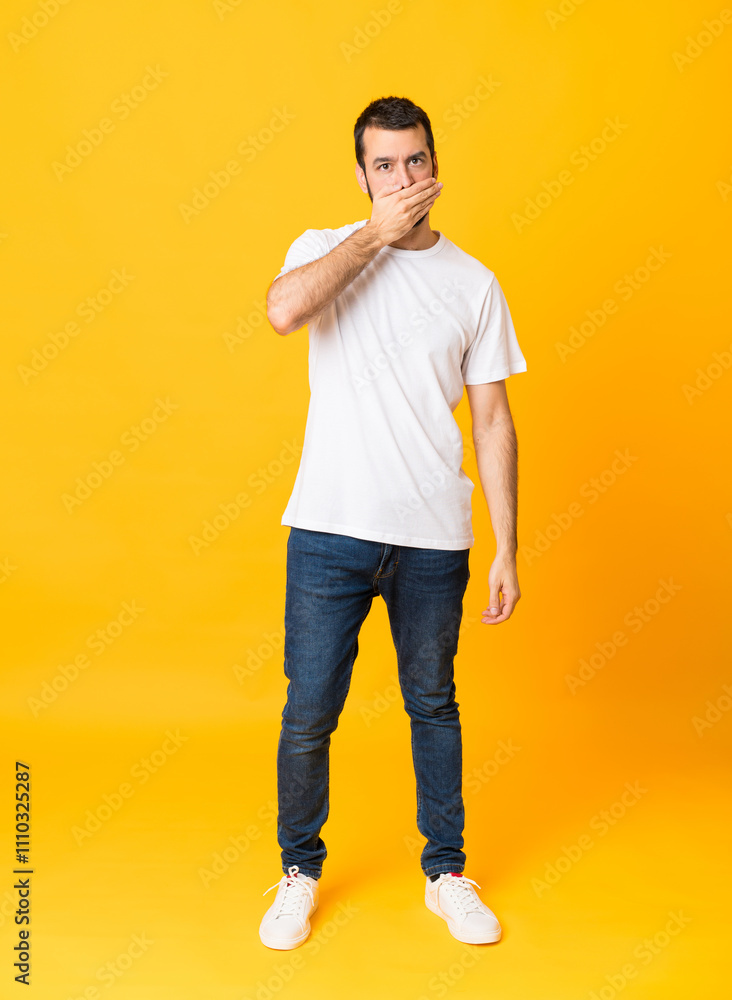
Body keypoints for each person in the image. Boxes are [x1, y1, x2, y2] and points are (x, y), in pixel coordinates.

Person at [259, 95, 527, 951]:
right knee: (310, 710)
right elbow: (280, 311)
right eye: (385, 165)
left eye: (415, 162)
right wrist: (373, 235)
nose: (403, 179)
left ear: (435, 166)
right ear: (362, 175)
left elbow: (493, 421)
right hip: (330, 527)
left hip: (433, 538)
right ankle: (298, 871)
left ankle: (446, 874)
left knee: (433, 703)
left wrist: (508, 547)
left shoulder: (474, 283)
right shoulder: (323, 251)